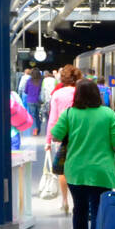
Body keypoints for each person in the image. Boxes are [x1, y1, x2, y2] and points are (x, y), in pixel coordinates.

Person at [50, 79, 115, 229]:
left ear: (77, 95)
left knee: (79, 209)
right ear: (98, 94)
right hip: (102, 172)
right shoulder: (108, 114)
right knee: (97, 210)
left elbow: (55, 135)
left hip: (76, 172)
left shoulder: (70, 113)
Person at [45, 64, 81, 215]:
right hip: (79, 135)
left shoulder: (57, 94)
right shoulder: (80, 93)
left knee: (63, 171)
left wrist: (48, 141)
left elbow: (52, 119)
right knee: (77, 169)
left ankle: (65, 200)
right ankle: (77, 201)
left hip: (61, 137)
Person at [23, 68, 44, 134]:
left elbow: (25, 91)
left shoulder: (29, 81)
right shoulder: (41, 81)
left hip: (30, 100)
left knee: (33, 115)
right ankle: (39, 128)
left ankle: (35, 128)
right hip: (39, 101)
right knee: (38, 115)